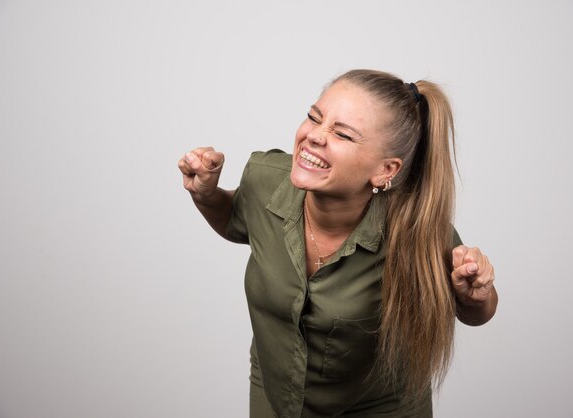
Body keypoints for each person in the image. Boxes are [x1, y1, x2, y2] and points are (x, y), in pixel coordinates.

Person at [178, 69, 498, 418]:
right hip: (277, 398)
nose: (315, 136)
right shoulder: (263, 178)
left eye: (342, 134)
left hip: (380, 408)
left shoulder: (417, 229)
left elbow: (473, 310)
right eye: (315, 117)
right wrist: (207, 195)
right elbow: (238, 220)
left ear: (385, 171)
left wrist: (475, 295)